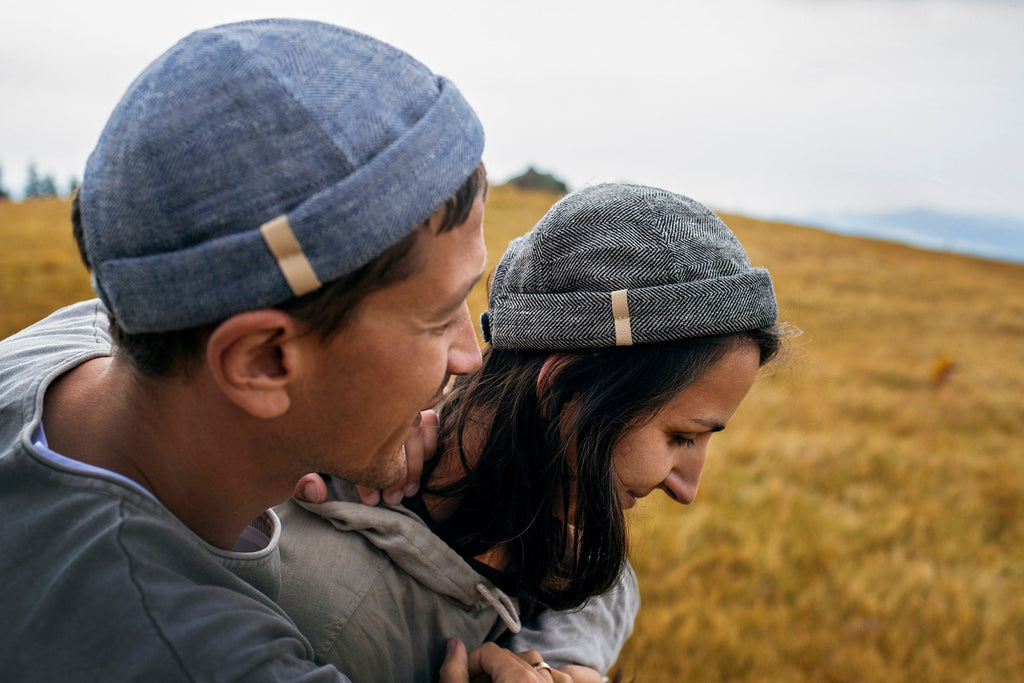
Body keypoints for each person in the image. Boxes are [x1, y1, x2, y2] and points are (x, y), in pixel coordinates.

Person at [0, 18, 566, 682]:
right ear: (262, 362)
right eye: (440, 317)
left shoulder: (70, 342)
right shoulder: (205, 657)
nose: (471, 356)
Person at [277, 183, 786, 682]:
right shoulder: (332, 627)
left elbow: (605, 580)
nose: (687, 489)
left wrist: (570, 661)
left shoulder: (532, 527)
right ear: (563, 389)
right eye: (682, 436)